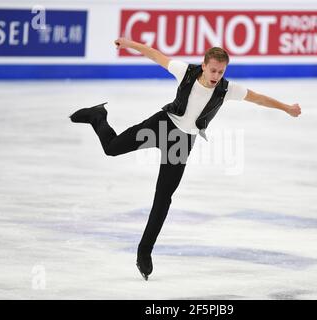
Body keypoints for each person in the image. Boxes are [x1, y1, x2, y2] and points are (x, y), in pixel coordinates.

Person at [69, 37, 301, 281]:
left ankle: (144, 251)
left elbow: (259, 98)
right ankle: (98, 116)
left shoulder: (227, 89)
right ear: (203, 65)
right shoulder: (185, 72)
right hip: (161, 125)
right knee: (112, 148)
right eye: (213, 70)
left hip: (181, 141)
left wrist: (286, 108)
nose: (216, 75)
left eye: (221, 71)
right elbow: (156, 55)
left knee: (163, 198)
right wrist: (129, 44)